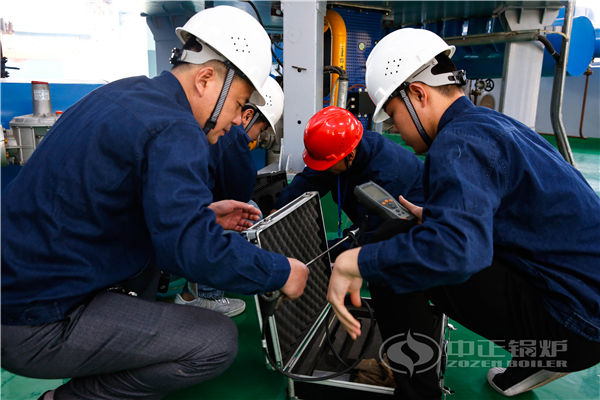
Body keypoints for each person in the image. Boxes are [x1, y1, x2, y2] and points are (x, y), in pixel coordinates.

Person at [1, 6, 309, 400]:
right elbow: (193, 253)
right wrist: (280, 271)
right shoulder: (176, 129)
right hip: (34, 322)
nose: (236, 120)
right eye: (238, 103)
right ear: (206, 79)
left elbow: (108, 203)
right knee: (214, 342)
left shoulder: (123, 94)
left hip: (17, 291)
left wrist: (203, 216)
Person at [326, 28, 600, 399]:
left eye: (393, 117)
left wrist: (355, 261)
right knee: (421, 239)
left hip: (574, 329)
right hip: (584, 320)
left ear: (418, 95)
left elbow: (459, 253)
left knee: (393, 249)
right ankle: (538, 359)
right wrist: (441, 217)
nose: (397, 132)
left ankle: (417, 391)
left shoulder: (457, 142)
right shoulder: (494, 125)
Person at [175, 76, 284, 316]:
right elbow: (239, 196)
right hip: (192, 218)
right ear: (247, 116)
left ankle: (191, 290)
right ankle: (204, 296)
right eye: (261, 129)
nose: (257, 137)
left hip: (186, 206)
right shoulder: (235, 138)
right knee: (246, 213)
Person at [274, 106, 424, 251]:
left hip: (413, 236)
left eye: (327, 166)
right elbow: (309, 179)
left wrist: (320, 252)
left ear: (350, 156)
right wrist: (279, 210)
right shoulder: (343, 147)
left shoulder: (384, 175)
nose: (323, 170)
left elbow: (367, 235)